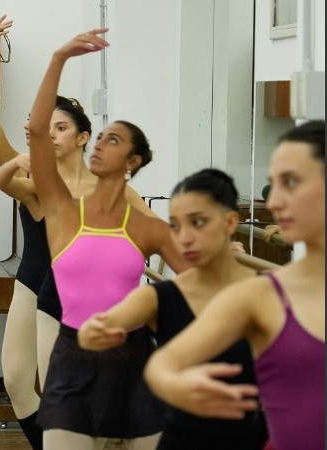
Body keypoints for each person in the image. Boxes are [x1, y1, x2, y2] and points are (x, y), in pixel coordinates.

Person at [0, 15, 158, 449]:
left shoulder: (108, 189)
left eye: (61, 128)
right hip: (31, 283)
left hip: (72, 292)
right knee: (19, 382)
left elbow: (153, 230)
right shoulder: (33, 178)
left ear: (83, 138)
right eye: (43, 127)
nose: (43, 133)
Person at [27, 29, 190, 449]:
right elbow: (39, 132)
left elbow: (201, 285)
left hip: (134, 360)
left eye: (112, 140)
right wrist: (59, 57)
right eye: (98, 137)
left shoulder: (147, 228)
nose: (98, 145)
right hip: (73, 358)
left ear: (132, 162)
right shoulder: (62, 210)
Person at [144, 120, 325, 450]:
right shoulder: (259, 294)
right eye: (274, 185)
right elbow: (163, 364)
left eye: (292, 182)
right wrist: (178, 388)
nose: (274, 202)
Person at [78, 168, 269, 449]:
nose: (185, 238)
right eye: (176, 226)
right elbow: (92, 331)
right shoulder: (159, 298)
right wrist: (93, 334)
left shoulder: (269, 294)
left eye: (198, 223)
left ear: (230, 223)